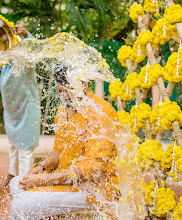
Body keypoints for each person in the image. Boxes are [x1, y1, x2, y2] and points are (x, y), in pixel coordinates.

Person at [9, 64, 120, 219]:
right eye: (61, 91)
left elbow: (92, 170)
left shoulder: (99, 112)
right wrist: (42, 166)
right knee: (16, 183)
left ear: (84, 84)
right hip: (69, 182)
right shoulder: (64, 110)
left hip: (94, 189)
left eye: (70, 90)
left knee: (19, 205)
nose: (66, 96)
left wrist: (44, 180)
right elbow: (58, 151)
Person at [0, 24, 41, 186]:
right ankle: (12, 173)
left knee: (26, 148)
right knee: (13, 143)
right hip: (11, 108)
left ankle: (25, 182)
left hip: (27, 107)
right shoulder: (4, 59)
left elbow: (37, 50)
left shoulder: (26, 55)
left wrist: (26, 35)